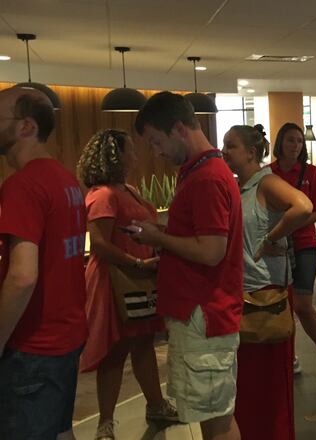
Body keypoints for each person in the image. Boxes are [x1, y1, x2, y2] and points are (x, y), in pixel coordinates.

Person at [132, 91, 243, 440]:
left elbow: (211, 251)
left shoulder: (207, 177)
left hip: (204, 316)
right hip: (200, 314)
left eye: (157, 141)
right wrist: (162, 234)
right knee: (213, 414)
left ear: (179, 128)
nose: (157, 152)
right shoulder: (198, 172)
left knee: (216, 421)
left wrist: (159, 238)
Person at [77, 129, 178, 439]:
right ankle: (105, 422)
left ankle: (156, 404)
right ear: (116, 156)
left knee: (143, 343)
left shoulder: (128, 190)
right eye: (129, 150)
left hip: (136, 279)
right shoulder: (104, 194)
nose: (136, 154)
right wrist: (137, 262)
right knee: (115, 349)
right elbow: (100, 245)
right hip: (115, 280)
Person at [0, 87, 87, 440]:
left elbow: (22, 276)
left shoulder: (22, 186)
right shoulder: (65, 180)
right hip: (64, 337)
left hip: (32, 346)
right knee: (59, 429)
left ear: (26, 127)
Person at [222, 124, 313, 440]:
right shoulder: (238, 187)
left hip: (266, 294)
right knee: (247, 384)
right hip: (242, 292)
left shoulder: (266, 182)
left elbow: (303, 206)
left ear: (250, 152)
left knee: (269, 385)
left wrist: (271, 238)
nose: (224, 151)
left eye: (230, 145)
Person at [270, 122, 316, 381]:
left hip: (305, 246)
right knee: (282, 305)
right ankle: (291, 356)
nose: (296, 145)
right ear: (280, 143)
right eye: (290, 140)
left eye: (299, 141)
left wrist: (293, 223)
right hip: (276, 248)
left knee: (302, 304)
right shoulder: (269, 174)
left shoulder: (311, 172)